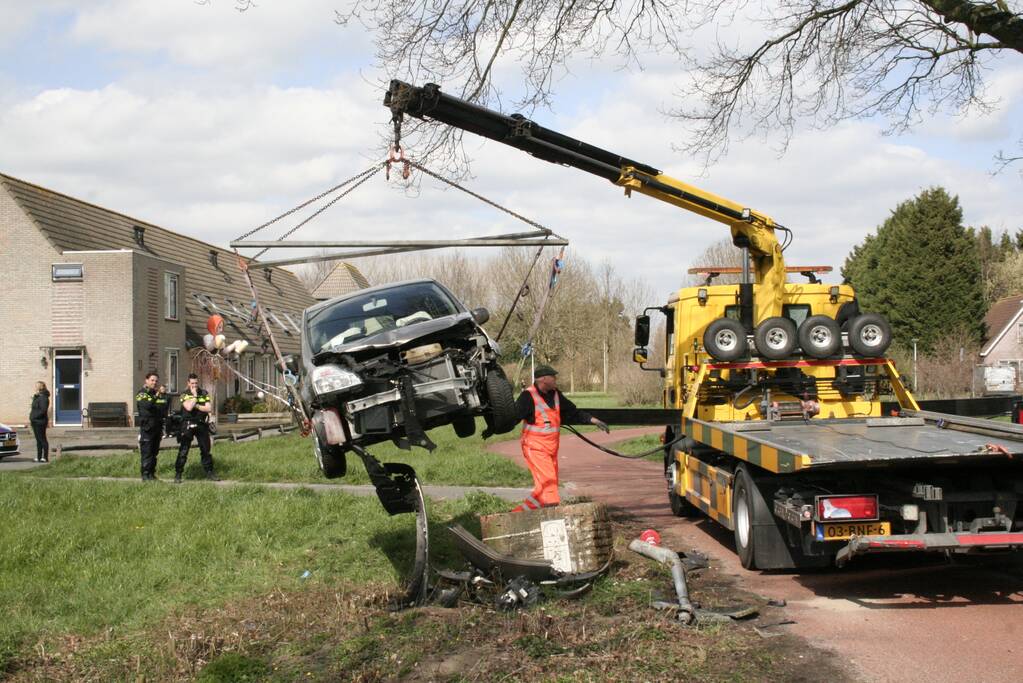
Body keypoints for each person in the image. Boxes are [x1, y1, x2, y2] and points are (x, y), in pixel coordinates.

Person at [511, 364, 609, 512]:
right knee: (550, 488)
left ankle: (517, 516)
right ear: (543, 379)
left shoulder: (556, 394)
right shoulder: (527, 397)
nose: (556, 378)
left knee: (544, 488)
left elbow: (573, 412)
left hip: (551, 450)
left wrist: (593, 420)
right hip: (535, 448)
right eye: (553, 376)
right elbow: (512, 418)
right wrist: (493, 427)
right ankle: (554, 520)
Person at [175, 373, 218, 483]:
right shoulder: (184, 394)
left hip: (201, 424)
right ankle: (178, 474)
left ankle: (209, 472)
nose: (194, 385)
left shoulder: (204, 393)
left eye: (196, 383)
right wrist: (194, 396)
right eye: (192, 383)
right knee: (184, 450)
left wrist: (196, 405)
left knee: (205, 450)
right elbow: (188, 407)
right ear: (188, 383)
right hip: (188, 424)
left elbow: (208, 408)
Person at [135, 371, 163, 481]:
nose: (154, 383)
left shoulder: (154, 394)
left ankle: (152, 474)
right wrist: (156, 396)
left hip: (157, 427)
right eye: (152, 380)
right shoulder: (142, 393)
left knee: (154, 452)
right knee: (147, 452)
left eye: (156, 381)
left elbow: (162, 408)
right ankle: (145, 475)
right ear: (146, 380)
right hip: (147, 427)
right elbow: (147, 405)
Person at [29, 381, 50, 463]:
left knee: (42, 439)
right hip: (35, 421)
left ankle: (45, 457)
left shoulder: (44, 398)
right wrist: (35, 397)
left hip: (40, 421)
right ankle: (38, 457)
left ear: (41, 387)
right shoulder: (38, 397)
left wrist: (34, 416)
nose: (35, 387)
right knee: (38, 440)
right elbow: (34, 408)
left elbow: (43, 410)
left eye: (36, 386)